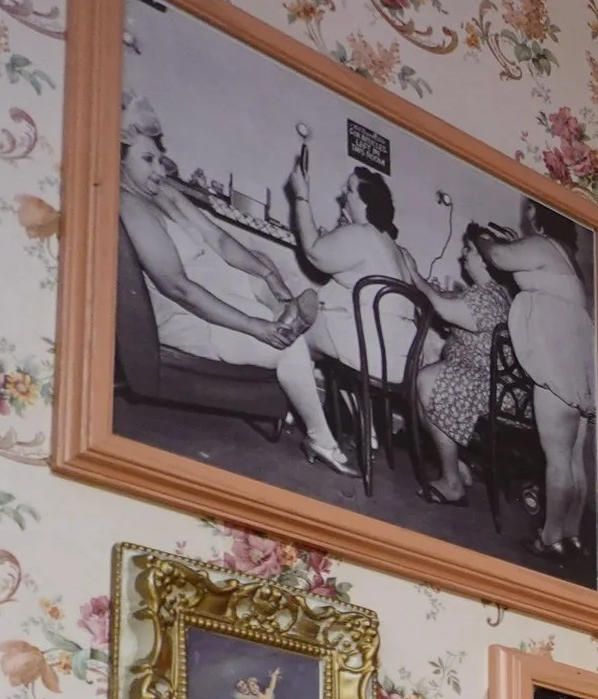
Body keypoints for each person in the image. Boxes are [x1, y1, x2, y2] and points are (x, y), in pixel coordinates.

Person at [116, 101, 313, 377]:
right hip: (185, 314)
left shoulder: (163, 193)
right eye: (148, 160)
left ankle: (284, 314)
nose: (160, 171)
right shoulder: (130, 207)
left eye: (159, 160)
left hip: (205, 292)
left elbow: (218, 238)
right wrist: (253, 325)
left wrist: (269, 276)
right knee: (291, 346)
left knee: (260, 262)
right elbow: (177, 288)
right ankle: (286, 320)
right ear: (119, 159)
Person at [282, 140, 424, 475]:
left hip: (366, 353)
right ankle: (368, 434)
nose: (342, 196)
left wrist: (301, 196)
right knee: (332, 337)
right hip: (397, 364)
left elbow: (314, 252)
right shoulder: (396, 248)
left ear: (364, 202)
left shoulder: (361, 234)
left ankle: (319, 437)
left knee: (289, 336)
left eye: (348, 190)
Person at [485, 201, 598, 560]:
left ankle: (549, 539)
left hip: (557, 365)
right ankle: (572, 535)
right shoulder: (565, 256)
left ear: (536, 213)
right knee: (573, 458)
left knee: (557, 457)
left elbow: (498, 257)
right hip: (578, 366)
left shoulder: (542, 245)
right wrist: (515, 242)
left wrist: (484, 239)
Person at [413, 224, 515, 505]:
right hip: (486, 381)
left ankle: (452, 484)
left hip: (495, 388)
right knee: (422, 387)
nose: (463, 254)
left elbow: (444, 309)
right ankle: (456, 467)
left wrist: (415, 275)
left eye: (469, 249)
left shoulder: (490, 295)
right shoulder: (490, 293)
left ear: (485, 259)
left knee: (429, 380)